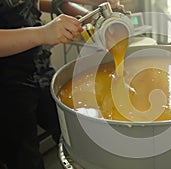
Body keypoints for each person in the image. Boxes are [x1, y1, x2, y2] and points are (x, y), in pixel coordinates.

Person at [0, 0, 121, 169]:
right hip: (6, 84)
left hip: (38, 65)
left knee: (76, 135)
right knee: (24, 156)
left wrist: (91, 17)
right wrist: (41, 34)